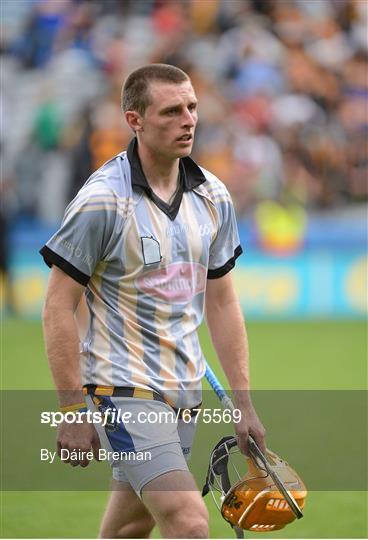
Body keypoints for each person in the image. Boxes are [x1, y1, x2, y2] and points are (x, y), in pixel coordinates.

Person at [40, 64, 266, 539]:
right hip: (123, 391)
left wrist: (242, 405)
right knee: (188, 520)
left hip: (185, 391)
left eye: (192, 107)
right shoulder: (102, 201)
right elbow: (58, 305)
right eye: (171, 111)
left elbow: (222, 303)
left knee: (128, 528)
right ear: (134, 120)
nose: (188, 120)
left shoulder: (213, 196)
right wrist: (72, 411)